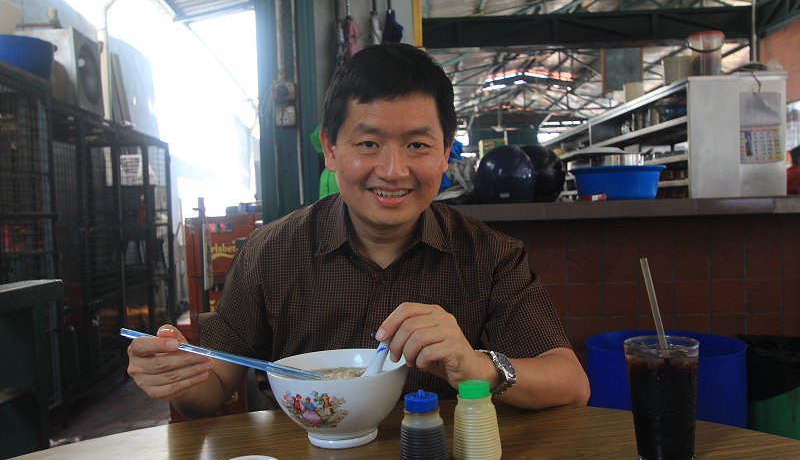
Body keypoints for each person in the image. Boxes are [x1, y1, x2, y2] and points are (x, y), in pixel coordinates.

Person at [127, 44, 590, 417]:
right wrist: (176, 375)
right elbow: (214, 386)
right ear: (330, 150)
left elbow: (570, 383)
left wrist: (477, 367)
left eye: (417, 144)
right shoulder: (271, 252)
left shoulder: (490, 255)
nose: (392, 170)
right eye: (368, 143)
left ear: (445, 152)